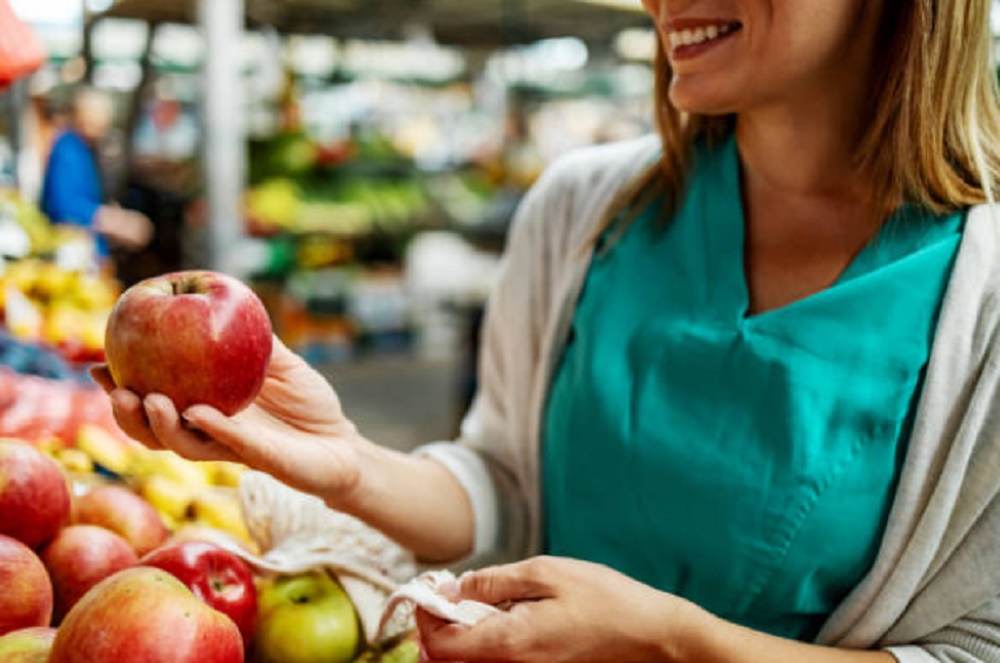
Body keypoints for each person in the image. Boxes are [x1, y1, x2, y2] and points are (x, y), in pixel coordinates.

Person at [93, 0, 1000, 660]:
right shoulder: (584, 207)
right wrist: (345, 461)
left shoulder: (981, 298)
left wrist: (673, 641)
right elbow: (506, 484)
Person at [40, 87, 153, 262]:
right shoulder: (68, 149)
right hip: (72, 254)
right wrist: (117, 222)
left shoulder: (82, 147)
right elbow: (64, 206)